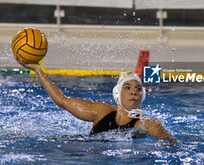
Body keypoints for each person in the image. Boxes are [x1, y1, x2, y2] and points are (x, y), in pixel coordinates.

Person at [16, 59, 177, 144]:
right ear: (117, 93)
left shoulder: (147, 124)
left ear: (142, 96)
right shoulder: (101, 111)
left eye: (138, 89)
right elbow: (62, 101)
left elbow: (173, 147)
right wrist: (37, 69)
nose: (133, 92)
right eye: (127, 88)